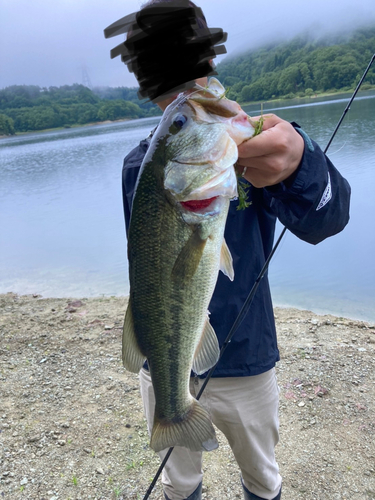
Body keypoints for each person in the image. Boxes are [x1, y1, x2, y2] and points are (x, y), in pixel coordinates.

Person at [118, 1, 351, 499]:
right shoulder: (141, 166)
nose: (194, 98)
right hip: (165, 364)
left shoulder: (253, 145)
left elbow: (327, 220)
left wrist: (301, 164)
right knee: (180, 485)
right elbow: (147, 269)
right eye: (178, 105)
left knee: (262, 479)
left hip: (248, 359)